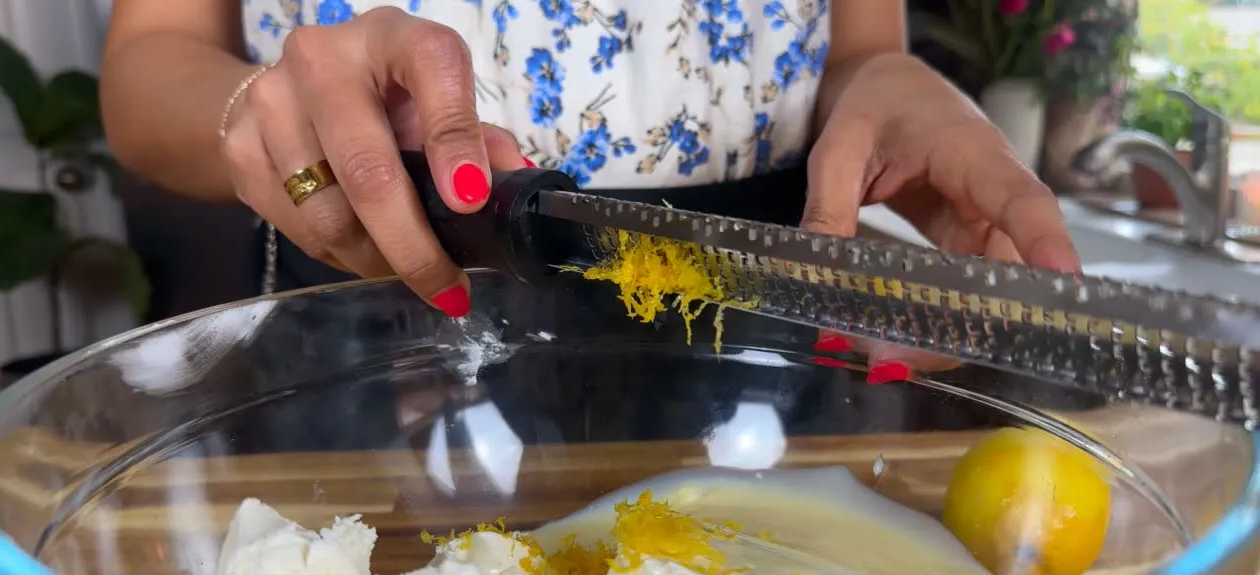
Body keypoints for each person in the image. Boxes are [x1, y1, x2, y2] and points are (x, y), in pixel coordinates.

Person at [100, 0, 1081, 384]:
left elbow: (858, 47)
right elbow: (145, 70)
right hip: (368, 336)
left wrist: (892, 83)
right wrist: (255, 112)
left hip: (757, 345)